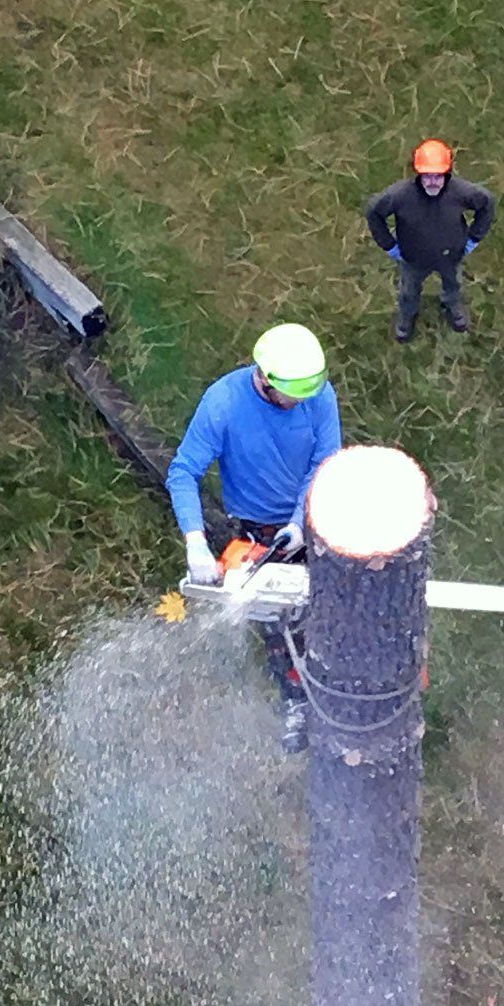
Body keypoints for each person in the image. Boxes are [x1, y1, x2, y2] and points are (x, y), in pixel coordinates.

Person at [165, 322, 342, 751]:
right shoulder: (223, 404)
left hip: (316, 516)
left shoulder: (319, 395)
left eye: (306, 395)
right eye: (293, 396)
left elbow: (326, 462)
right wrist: (195, 542)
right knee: (278, 624)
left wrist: (300, 522)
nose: (301, 403)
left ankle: (346, 688)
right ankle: (298, 702)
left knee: (336, 605)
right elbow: (183, 472)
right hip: (256, 529)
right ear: (265, 378)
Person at [365, 138, 496, 343]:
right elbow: (373, 211)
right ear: (418, 174)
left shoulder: (462, 193)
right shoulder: (400, 196)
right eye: (427, 176)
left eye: (438, 176)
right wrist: (389, 246)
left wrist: (473, 238)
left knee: (453, 284)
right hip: (413, 258)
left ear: (447, 173)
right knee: (409, 289)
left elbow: (487, 203)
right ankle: (408, 316)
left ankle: (451, 305)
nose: (433, 182)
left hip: (451, 255)